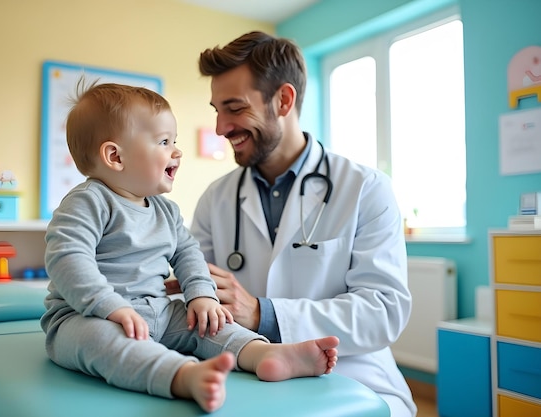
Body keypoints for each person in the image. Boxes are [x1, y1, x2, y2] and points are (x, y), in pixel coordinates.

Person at [40, 81, 339, 413]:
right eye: (164, 142)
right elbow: (68, 258)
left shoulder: (165, 210)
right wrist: (109, 306)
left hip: (159, 311)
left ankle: (264, 354)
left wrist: (201, 296)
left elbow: (188, 253)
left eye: (175, 141)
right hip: (84, 317)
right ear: (115, 156)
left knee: (211, 324)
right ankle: (183, 376)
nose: (177, 151)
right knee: (103, 341)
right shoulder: (88, 201)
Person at [186, 31, 417, 416]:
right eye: (216, 110)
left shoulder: (365, 188)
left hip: (352, 376)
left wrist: (263, 314)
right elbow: (192, 289)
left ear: (284, 100)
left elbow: (384, 311)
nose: (221, 127)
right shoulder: (217, 197)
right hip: (248, 371)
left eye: (234, 108)